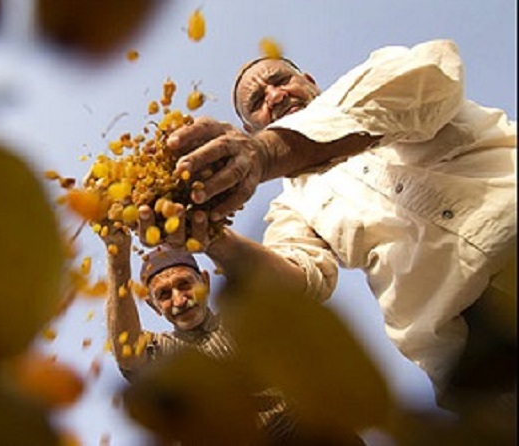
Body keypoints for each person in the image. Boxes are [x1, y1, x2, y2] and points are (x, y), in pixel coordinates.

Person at [143, 39, 516, 416]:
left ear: (309, 80)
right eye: (257, 101)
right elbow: (301, 281)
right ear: (248, 126)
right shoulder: (293, 205)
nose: (274, 95)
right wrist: (211, 237)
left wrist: (268, 152)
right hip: (477, 359)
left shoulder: (374, 84)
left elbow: (430, 79)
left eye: (280, 80)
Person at [100, 224, 364, 445]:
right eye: (164, 295)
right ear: (152, 306)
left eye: (185, 284)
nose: (179, 300)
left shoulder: (246, 316)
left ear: (205, 281)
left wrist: (206, 229)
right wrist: (118, 257)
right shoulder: (165, 356)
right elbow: (128, 352)